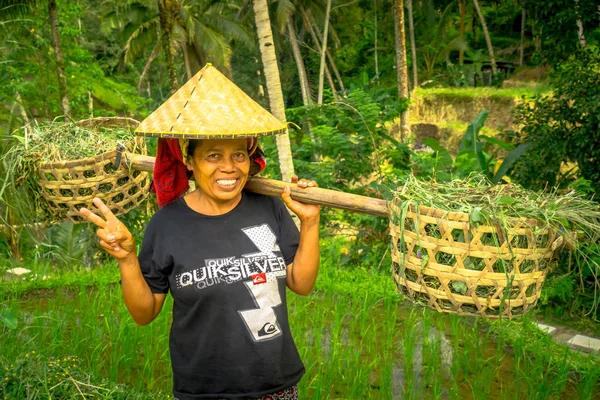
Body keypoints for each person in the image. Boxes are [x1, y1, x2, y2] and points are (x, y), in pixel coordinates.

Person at [79, 64, 320, 400]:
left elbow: (302, 284)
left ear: (250, 160)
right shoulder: (167, 225)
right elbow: (144, 313)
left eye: (238, 154)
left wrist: (309, 222)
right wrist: (127, 258)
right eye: (212, 156)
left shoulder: (267, 209)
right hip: (204, 391)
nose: (228, 167)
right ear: (188, 162)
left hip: (275, 386)